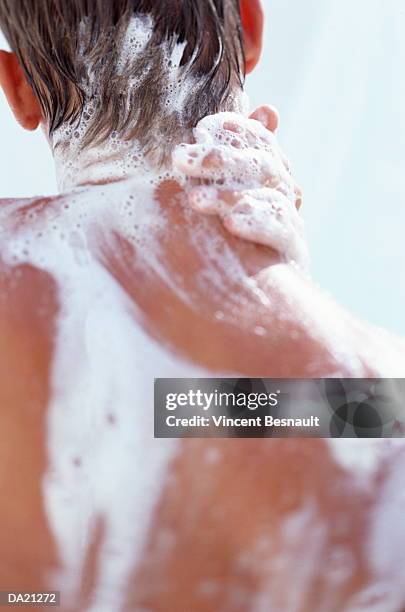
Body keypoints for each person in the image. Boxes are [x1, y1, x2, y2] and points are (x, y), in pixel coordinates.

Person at [0, 1, 404, 610]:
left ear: (17, 88)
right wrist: (269, 288)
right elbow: (188, 407)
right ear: (249, 26)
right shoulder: (376, 402)